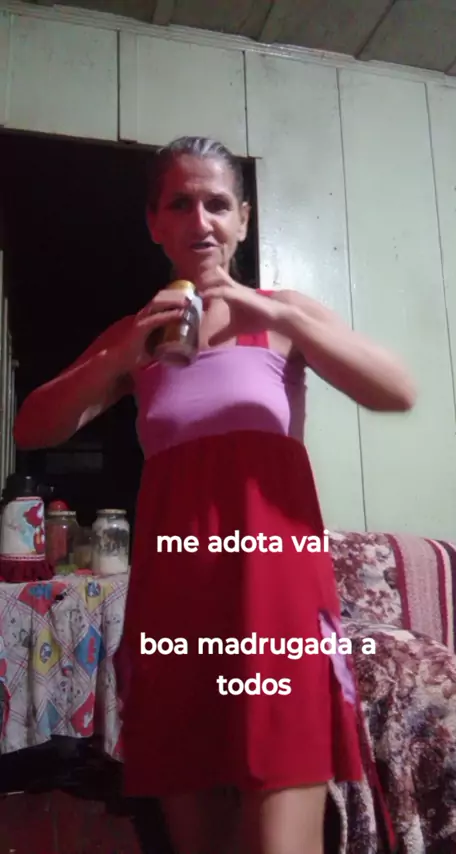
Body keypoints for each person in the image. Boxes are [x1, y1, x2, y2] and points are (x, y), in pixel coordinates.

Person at [14, 136, 416, 854]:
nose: (200, 220)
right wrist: (119, 357)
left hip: (276, 598)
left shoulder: (281, 318)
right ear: (155, 223)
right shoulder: (137, 337)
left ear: (242, 221)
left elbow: (397, 390)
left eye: (217, 203)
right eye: (180, 203)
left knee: (278, 835)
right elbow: (32, 427)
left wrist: (283, 318)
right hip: (175, 597)